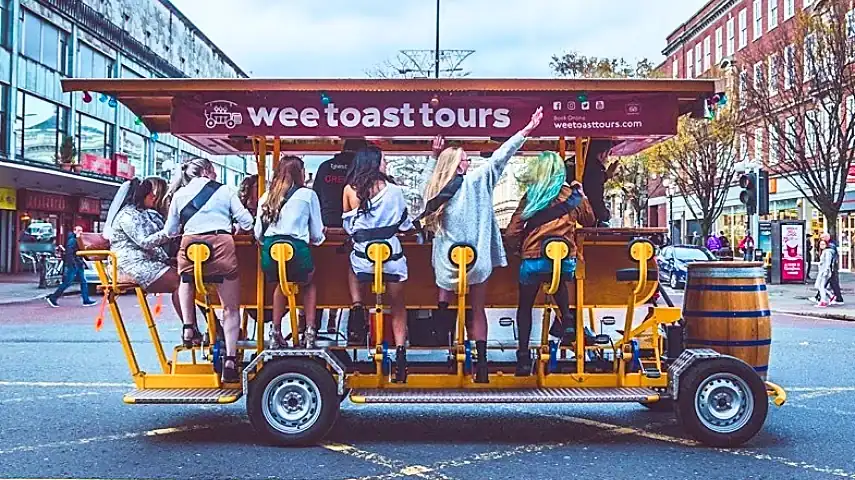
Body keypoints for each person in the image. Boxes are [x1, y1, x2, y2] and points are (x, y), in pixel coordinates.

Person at [420, 106, 543, 383]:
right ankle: (483, 365)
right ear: (458, 165)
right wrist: (524, 132)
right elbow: (500, 158)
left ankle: (442, 317)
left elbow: (424, 185)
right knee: (477, 308)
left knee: (442, 258)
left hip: (447, 266)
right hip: (477, 263)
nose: (468, 162)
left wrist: (432, 157)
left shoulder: (436, 189)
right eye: (465, 159)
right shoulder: (476, 181)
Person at [505, 152, 596, 376]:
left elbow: (512, 231)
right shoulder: (572, 196)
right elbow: (590, 221)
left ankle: (524, 358)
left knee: (525, 305)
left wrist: (519, 250)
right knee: (558, 278)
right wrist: (581, 195)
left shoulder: (532, 196)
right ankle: (567, 322)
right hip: (564, 263)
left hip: (533, 262)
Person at [164, 157, 254, 383]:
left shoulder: (178, 195)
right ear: (207, 171)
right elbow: (248, 222)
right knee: (231, 309)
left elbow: (170, 231)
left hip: (190, 246)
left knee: (186, 279)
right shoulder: (224, 191)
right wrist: (232, 226)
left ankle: (188, 326)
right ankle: (231, 360)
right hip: (221, 245)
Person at [342, 145, 413, 383]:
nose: (386, 164)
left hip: (364, 261)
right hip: (392, 259)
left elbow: (348, 228)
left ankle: (357, 304)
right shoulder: (394, 191)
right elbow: (405, 226)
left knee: (351, 265)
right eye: (384, 160)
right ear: (374, 163)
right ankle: (401, 353)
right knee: (398, 305)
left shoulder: (350, 190)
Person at [255, 156, 325, 348]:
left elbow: (257, 234)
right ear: (300, 173)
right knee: (309, 282)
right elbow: (317, 236)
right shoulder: (308, 195)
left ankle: (275, 331)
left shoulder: (266, 196)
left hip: (270, 253)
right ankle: (310, 330)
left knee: (281, 283)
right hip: (297, 252)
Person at [101, 177, 182, 321]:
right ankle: (190, 329)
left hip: (147, 261)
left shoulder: (143, 213)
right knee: (182, 283)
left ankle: (209, 329)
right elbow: (145, 242)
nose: (154, 196)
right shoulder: (127, 215)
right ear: (142, 195)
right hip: (131, 265)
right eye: (151, 193)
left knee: (189, 278)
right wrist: (169, 232)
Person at [314, 138, 369, 228]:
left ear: (343, 148)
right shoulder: (361, 168)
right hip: (355, 222)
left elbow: (316, 195)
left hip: (327, 220)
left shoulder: (325, 166)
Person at [45, 226, 96, 307]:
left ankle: (86, 300)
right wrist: (72, 264)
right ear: (74, 231)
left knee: (83, 282)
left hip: (78, 263)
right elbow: (69, 252)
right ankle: (53, 298)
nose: (80, 232)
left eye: (81, 230)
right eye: (78, 230)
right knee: (68, 282)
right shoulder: (72, 240)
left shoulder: (78, 240)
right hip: (74, 264)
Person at [581, 140, 618, 227]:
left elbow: (588, 181)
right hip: (583, 220)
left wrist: (605, 175)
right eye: (609, 154)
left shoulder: (578, 162)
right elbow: (596, 200)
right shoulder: (596, 170)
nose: (608, 159)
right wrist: (606, 215)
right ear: (603, 154)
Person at [820, 232, 844, 305]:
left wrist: (827, 269)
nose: (821, 240)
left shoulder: (830, 246)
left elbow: (829, 259)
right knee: (827, 283)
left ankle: (837, 298)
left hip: (831, 267)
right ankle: (822, 297)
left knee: (830, 283)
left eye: (822, 238)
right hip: (831, 267)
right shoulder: (830, 244)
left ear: (826, 237)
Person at [815, 239, 834, 307]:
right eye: (820, 244)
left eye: (823, 244)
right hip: (822, 271)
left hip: (824, 272)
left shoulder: (827, 252)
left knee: (821, 286)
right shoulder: (824, 251)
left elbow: (828, 262)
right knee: (819, 286)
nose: (821, 246)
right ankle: (831, 296)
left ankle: (823, 301)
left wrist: (826, 271)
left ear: (826, 245)